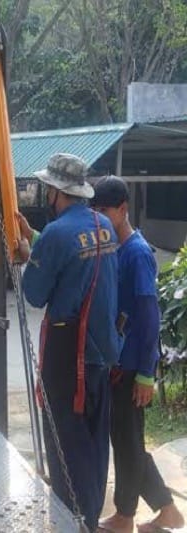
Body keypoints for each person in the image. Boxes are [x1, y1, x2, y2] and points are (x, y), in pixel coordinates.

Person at [14, 153, 121, 532]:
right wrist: (37, 244)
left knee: (65, 449)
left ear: (55, 191)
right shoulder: (103, 225)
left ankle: (72, 522)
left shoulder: (58, 233)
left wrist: (29, 257)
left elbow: (35, 295)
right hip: (100, 353)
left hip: (66, 357)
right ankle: (89, 518)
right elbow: (80, 262)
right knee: (93, 442)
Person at [91, 176, 185, 533]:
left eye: (104, 211)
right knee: (127, 440)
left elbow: (149, 317)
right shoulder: (113, 247)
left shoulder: (137, 253)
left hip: (132, 368)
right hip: (118, 364)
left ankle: (125, 516)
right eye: (94, 211)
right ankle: (166, 511)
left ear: (122, 210)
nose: (99, 218)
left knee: (128, 443)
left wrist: (146, 372)